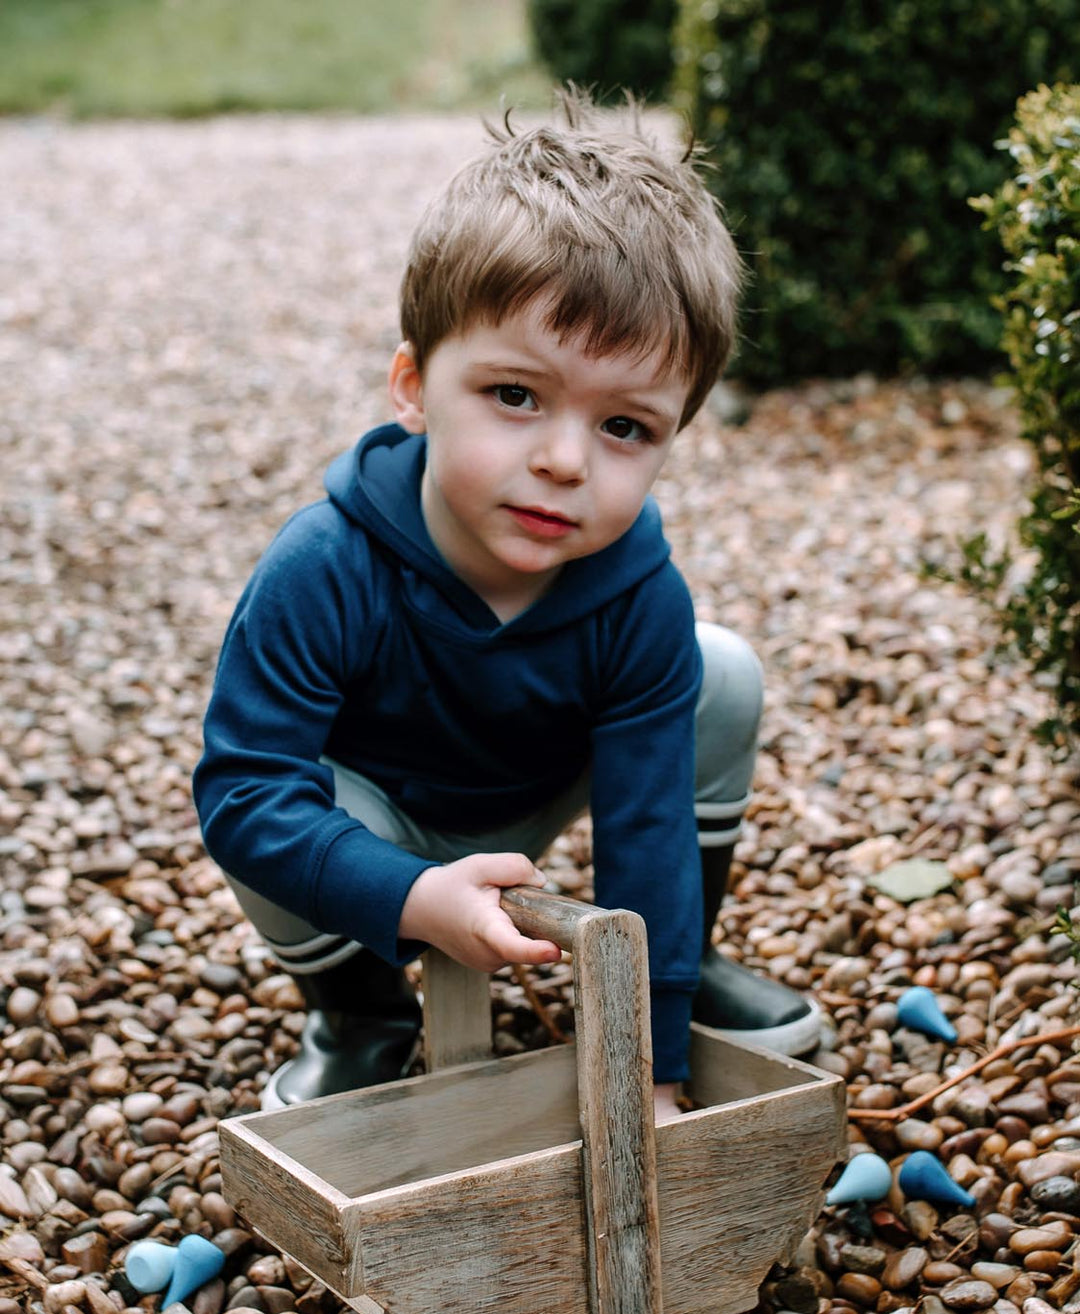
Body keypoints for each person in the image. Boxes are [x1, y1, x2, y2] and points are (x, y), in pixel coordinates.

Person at [193, 88, 820, 1121]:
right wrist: (407, 894)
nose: (564, 460)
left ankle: (682, 971)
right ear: (413, 386)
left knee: (723, 674)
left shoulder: (637, 597)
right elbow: (243, 792)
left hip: (537, 790)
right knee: (278, 806)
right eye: (515, 396)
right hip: (378, 816)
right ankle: (359, 1014)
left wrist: (649, 1068)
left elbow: (646, 823)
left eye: (625, 426)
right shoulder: (323, 565)